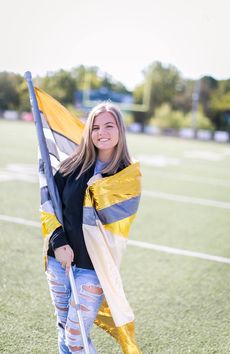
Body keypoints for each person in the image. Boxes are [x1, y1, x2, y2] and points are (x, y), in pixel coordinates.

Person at [45, 102, 141, 354]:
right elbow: (49, 206)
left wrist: (97, 186)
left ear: (120, 130)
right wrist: (58, 242)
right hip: (59, 260)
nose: (102, 132)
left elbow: (113, 223)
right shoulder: (72, 166)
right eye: (95, 127)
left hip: (93, 267)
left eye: (109, 125)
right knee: (64, 330)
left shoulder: (126, 176)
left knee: (75, 339)